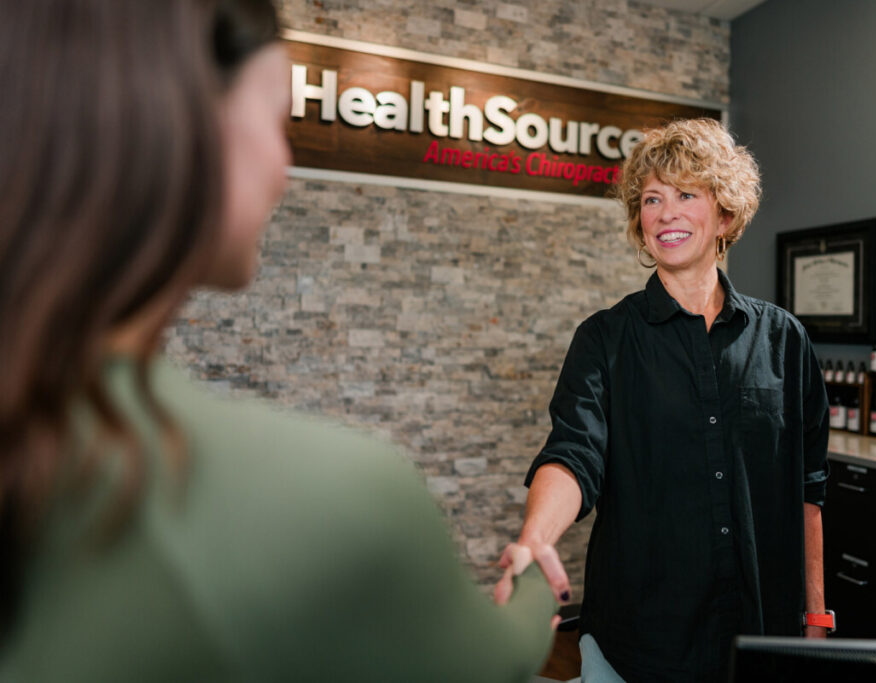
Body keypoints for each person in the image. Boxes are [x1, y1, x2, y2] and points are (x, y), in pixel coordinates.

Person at [0, 1, 557, 680]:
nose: (285, 166)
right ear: (184, 127)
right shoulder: (344, 497)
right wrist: (532, 591)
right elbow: (490, 663)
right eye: (277, 119)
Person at [504, 118, 831, 682]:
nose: (666, 212)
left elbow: (808, 487)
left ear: (725, 214)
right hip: (639, 640)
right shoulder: (604, 338)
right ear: (639, 221)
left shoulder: (784, 340)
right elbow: (573, 453)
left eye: (686, 194)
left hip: (758, 637)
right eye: (652, 199)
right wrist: (535, 540)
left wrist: (816, 610)